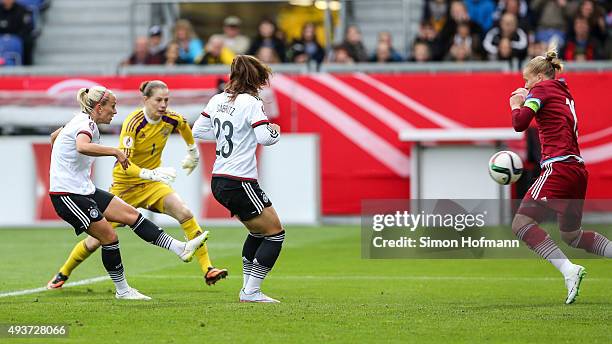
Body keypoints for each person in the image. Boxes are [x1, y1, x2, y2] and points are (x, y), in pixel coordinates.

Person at [47, 81, 227, 289]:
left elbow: (184, 126)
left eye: (166, 100)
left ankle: (202, 264)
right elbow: (105, 156)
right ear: (146, 100)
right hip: (120, 186)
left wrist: (193, 152)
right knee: (100, 238)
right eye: (158, 100)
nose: (163, 105)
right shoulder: (129, 123)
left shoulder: (170, 118)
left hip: (146, 185)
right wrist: (124, 157)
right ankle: (66, 273)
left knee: (181, 213)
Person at [509, 48, 612, 304]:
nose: (525, 85)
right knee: (572, 236)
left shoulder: (541, 91)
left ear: (540, 78)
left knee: (521, 224)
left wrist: (516, 103)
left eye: (527, 80)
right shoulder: (564, 92)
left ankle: (569, 271)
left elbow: (520, 123)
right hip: (577, 169)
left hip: (559, 167)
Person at [192, 55, 285, 303]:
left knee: (257, 232)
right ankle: (251, 291)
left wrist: (226, 136)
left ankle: (248, 289)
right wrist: (275, 131)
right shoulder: (252, 102)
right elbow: (265, 138)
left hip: (219, 179)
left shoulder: (217, 99)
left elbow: (198, 130)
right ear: (256, 79)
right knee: (275, 234)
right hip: (240, 179)